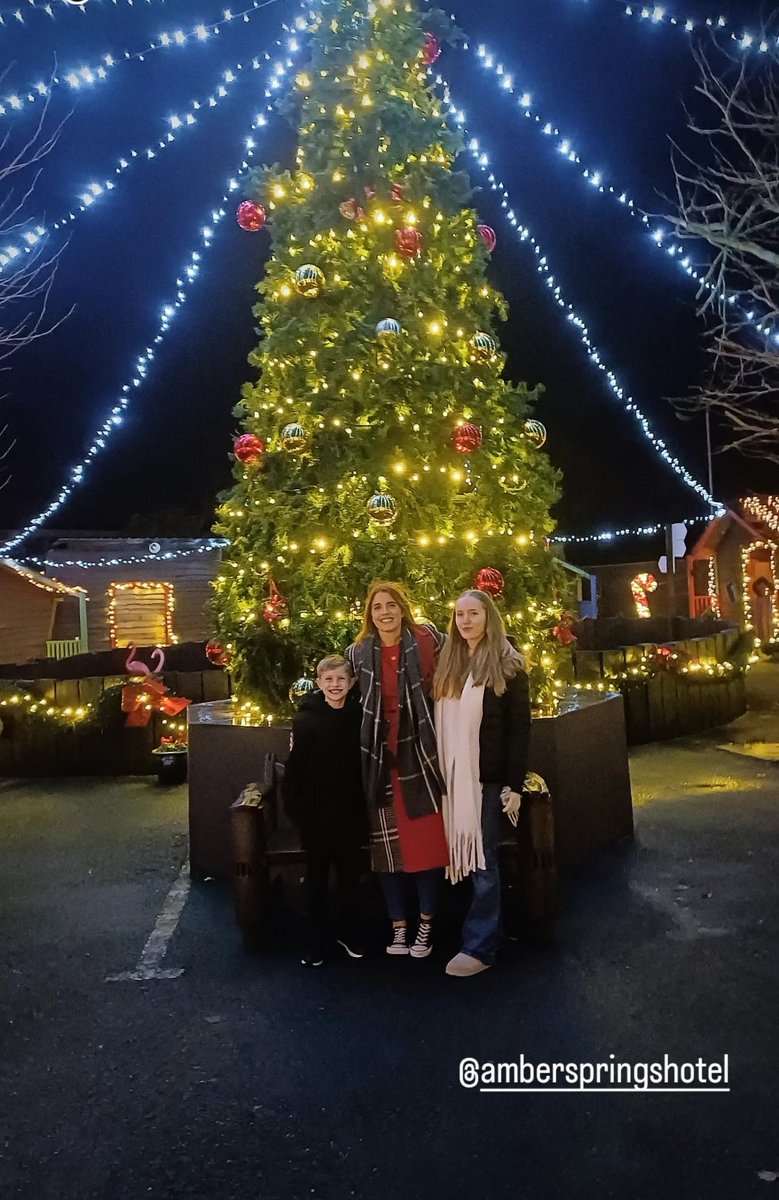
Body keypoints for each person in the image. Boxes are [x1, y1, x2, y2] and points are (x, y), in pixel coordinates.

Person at [346, 581, 448, 958]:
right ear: (369, 615)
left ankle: (425, 926)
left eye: (390, 604)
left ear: (402, 607)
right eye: (377, 607)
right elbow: (339, 693)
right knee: (388, 852)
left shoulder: (427, 639)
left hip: (420, 757)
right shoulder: (358, 653)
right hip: (379, 761)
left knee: (426, 847)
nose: (384, 612)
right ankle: (398, 929)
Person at [433, 589, 531, 977]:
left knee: (483, 860)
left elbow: (518, 730)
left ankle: (481, 946)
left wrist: (514, 784)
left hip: (486, 781)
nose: (466, 621)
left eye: (473, 613)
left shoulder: (508, 664)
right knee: (470, 860)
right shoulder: (450, 663)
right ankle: (478, 935)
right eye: (459, 615)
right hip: (452, 780)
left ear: (489, 616)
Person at [283, 655, 367, 968]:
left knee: (349, 878)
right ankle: (317, 939)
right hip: (315, 816)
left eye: (341, 679)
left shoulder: (358, 716)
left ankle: (347, 932)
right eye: (328, 680)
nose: (335, 685)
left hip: (350, 813)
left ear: (352, 683)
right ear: (318, 683)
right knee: (316, 879)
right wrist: (297, 811)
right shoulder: (306, 720)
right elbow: (295, 770)